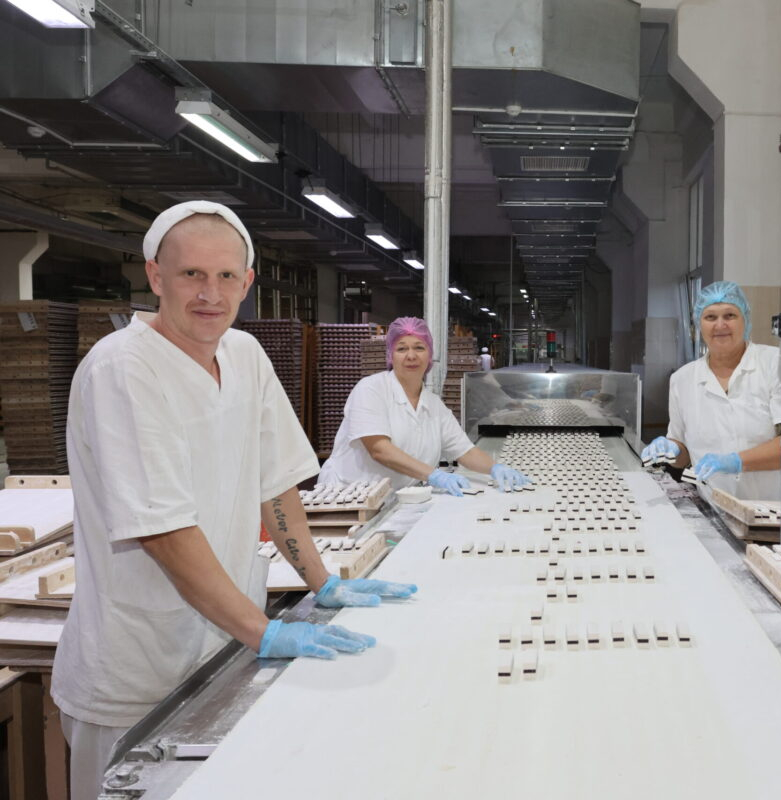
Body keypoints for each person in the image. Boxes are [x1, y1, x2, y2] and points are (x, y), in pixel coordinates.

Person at [53, 201, 415, 800]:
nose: (210, 294)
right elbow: (163, 532)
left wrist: (322, 581)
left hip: (223, 648)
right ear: (155, 276)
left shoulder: (244, 354)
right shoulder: (123, 369)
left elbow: (277, 484)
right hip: (135, 668)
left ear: (247, 283)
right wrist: (264, 632)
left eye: (225, 276)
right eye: (191, 274)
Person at [641, 281, 781, 502]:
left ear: (745, 321)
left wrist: (736, 461)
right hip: (721, 506)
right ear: (698, 325)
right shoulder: (682, 379)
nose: (720, 325)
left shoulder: (778, 366)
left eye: (730, 315)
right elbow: (683, 455)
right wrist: (670, 450)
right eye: (710, 317)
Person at [318, 317, 530, 495]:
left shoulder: (433, 405)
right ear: (391, 355)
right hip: (348, 497)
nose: (411, 356)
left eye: (419, 347)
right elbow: (379, 450)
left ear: (429, 355)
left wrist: (495, 468)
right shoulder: (371, 389)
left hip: (395, 499)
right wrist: (433, 475)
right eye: (402, 348)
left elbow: (465, 451)